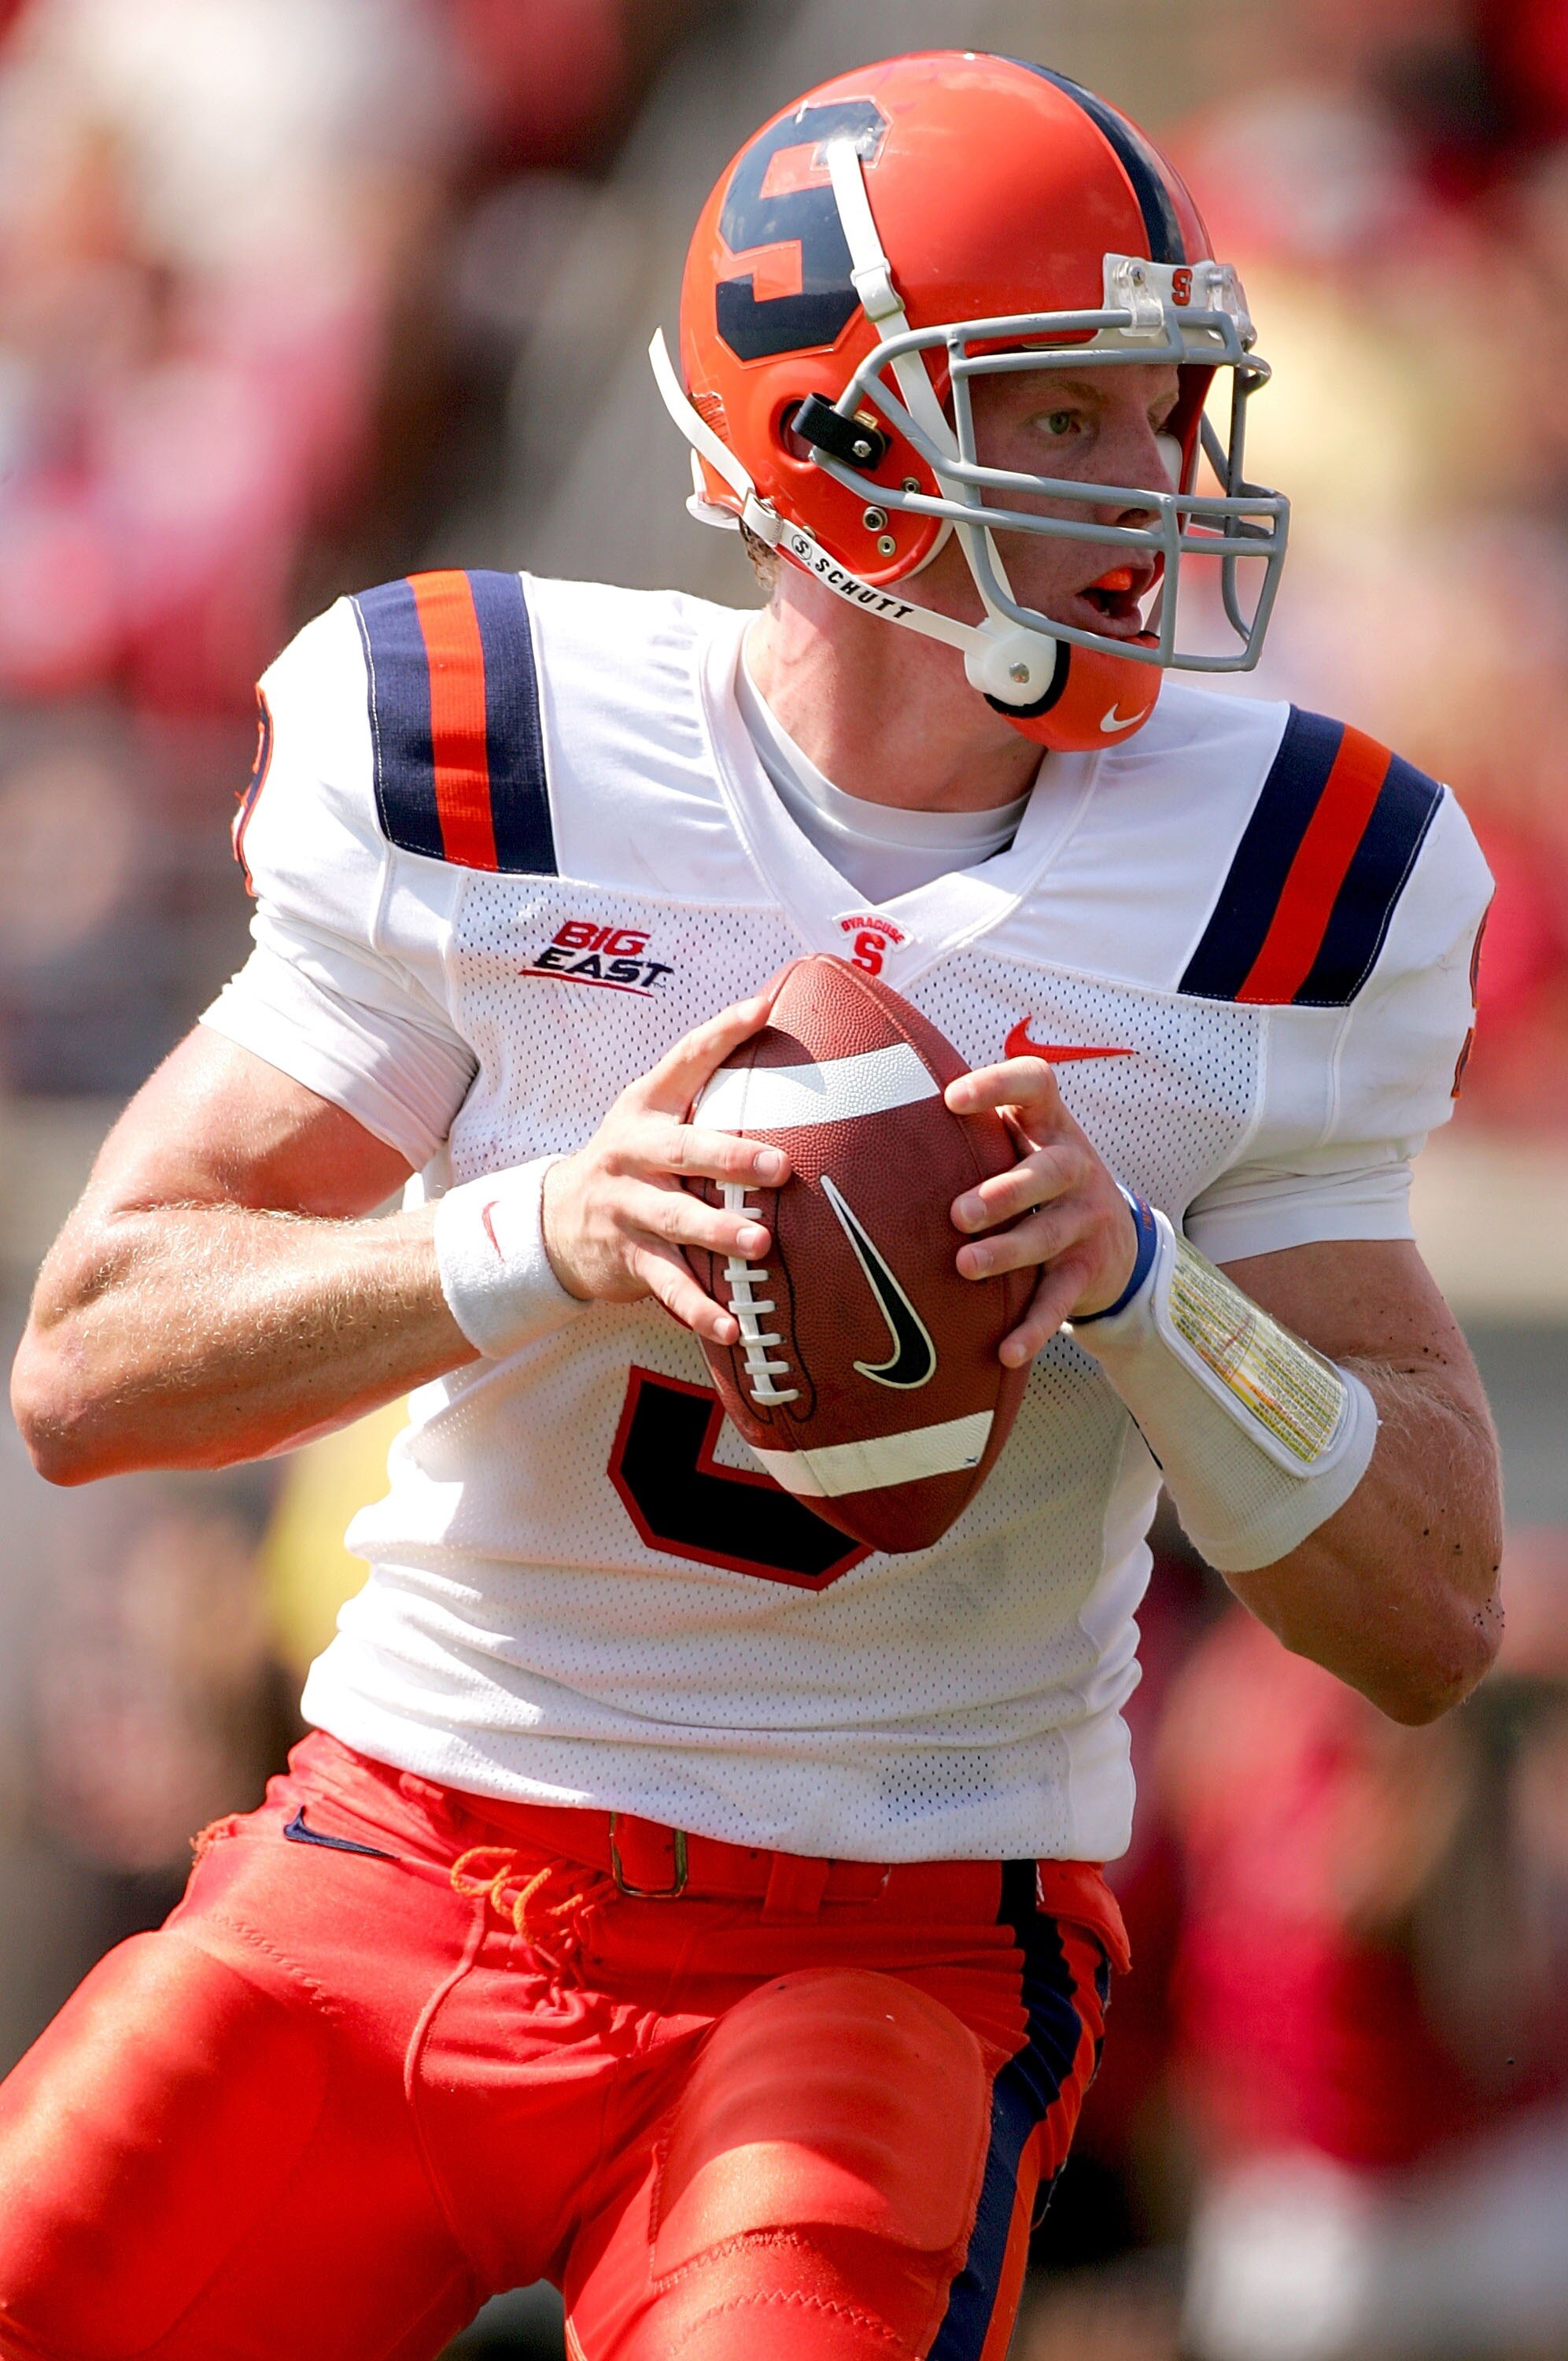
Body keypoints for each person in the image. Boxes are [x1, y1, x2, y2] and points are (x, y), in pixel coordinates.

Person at [4, 52, 1502, 2361]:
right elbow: (89, 1368)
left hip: (882, 1935)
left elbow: (1422, 1611)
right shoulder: (489, 745)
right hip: (400, 1843)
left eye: (1163, 409)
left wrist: (1140, 1284)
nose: (1157, 490)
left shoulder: (1282, 875)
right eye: (1067, 418)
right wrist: (546, 1234)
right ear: (836, 445)